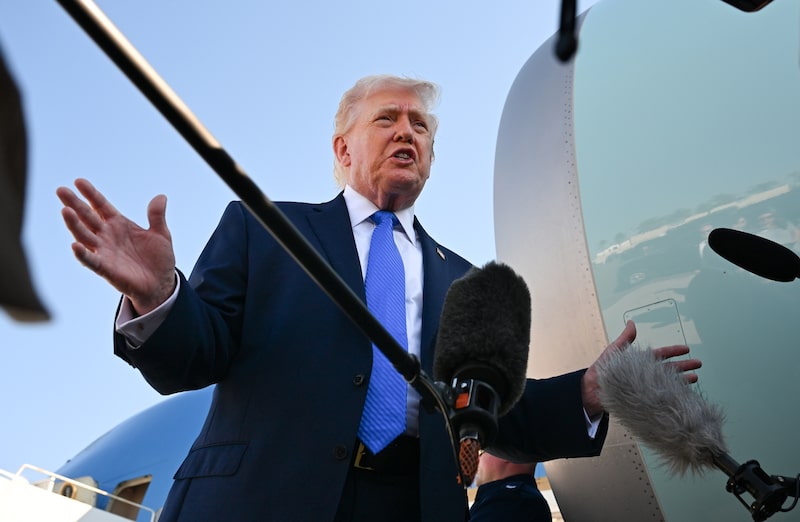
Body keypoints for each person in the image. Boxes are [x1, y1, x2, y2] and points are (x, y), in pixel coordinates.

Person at [56, 74, 700, 522]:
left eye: (420, 125)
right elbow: (194, 358)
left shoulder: (474, 284)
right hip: (261, 501)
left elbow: (495, 416)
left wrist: (586, 391)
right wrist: (160, 295)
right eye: (387, 119)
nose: (407, 133)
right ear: (342, 148)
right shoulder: (265, 229)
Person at [470, 452, 550, 522]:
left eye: (481, 452)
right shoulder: (521, 497)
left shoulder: (509, 499)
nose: (478, 458)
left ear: (506, 455)